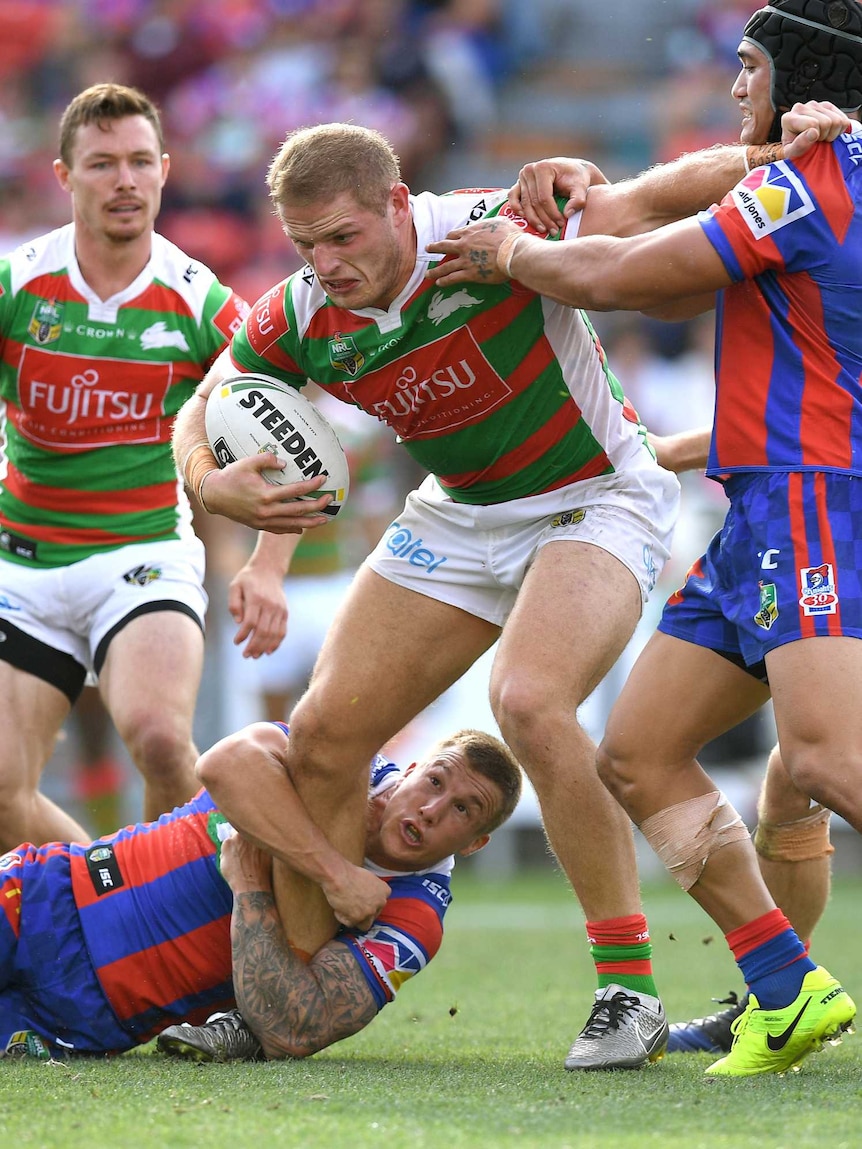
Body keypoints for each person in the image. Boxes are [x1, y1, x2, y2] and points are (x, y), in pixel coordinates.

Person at [170, 110, 835, 1071]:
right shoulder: (305, 310)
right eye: (307, 245)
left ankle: (627, 990)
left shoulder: (486, 227)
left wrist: (782, 158)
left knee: (528, 696)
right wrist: (209, 478)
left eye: (346, 236)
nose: (329, 264)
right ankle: (292, 994)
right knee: (323, 735)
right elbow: (205, 401)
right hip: (461, 511)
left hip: (595, 495)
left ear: (401, 205)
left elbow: (650, 199)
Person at [426, 0, 862, 1078]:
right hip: (768, 498)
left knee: (818, 759)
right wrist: (694, 443)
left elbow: (628, 281)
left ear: (804, 73)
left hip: (811, 501)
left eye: (750, 67)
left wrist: (514, 254)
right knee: (640, 751)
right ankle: (784, 989)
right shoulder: (815, 176)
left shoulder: (806, 182)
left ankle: (780, 987)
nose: (733, 86)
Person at [0, 82, 302, 851]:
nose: (124, 181)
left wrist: (267, 568)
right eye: (102, 164)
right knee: (3, 793)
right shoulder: (16, 285)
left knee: (164, 744)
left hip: (141, 554)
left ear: (166, 170)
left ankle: (154, 927)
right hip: (23, 563)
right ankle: (97, 897)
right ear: (64, 177)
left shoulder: (198, 302)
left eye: (140, 161)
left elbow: (292, 433)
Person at [0, 722, 521, 1061]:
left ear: (475, 844)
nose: (431, 810)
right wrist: (332, 875)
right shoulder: (329, 766)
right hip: (41, 895)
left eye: (462, 809)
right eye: (434, 782)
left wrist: (249, 888)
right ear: (409, 769)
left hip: (86, 1014)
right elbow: (223, 764)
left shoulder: (415, 915)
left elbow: (298, 1028)